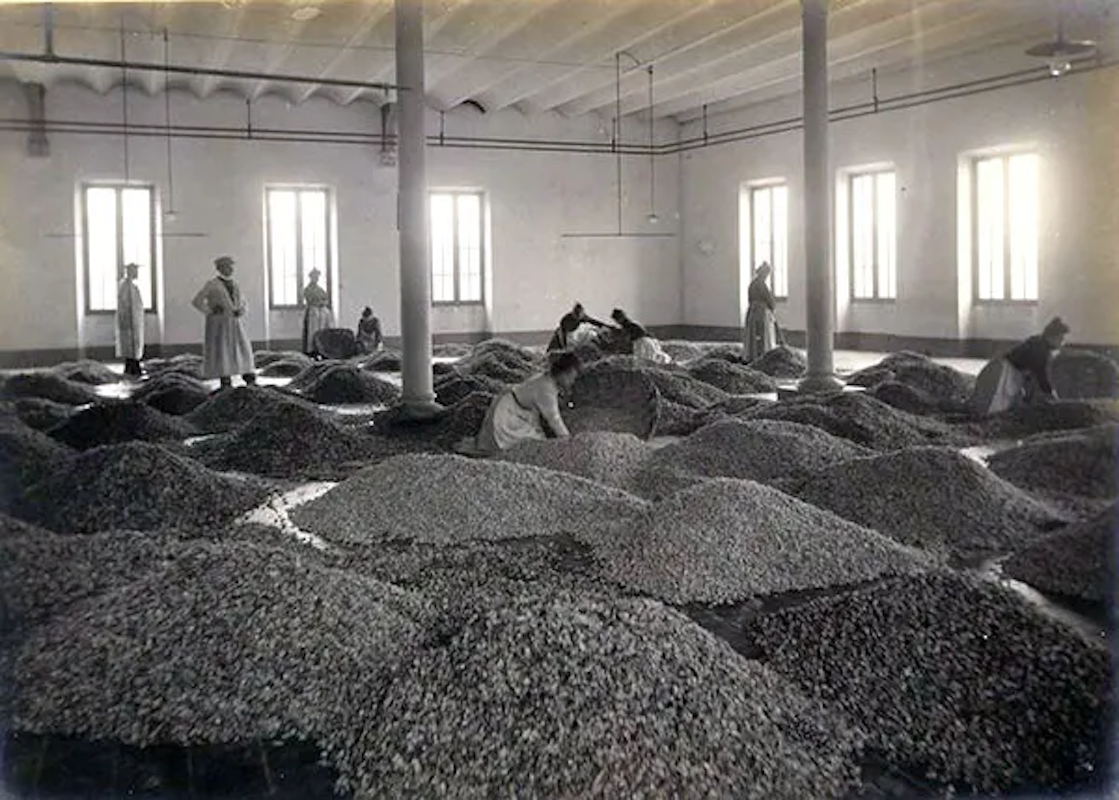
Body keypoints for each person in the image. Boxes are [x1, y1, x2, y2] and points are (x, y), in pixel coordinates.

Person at [475, 351, 582, 453]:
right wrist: (568, 441)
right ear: (562, 373)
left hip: (515, 406)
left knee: (536, 438)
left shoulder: (547, 379)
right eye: (570, 377)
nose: (571, 381)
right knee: (527, 445)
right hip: (508, 413)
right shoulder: (546, 390)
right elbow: (554, 420)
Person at [970, 317, 1070, 415]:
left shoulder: (1039, 342)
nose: (1062, 342)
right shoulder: (1041, 349)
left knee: (1008, 401)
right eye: (1061, 339)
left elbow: (1033, 373)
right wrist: (1051, 393)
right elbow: (1041, 375)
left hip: (1011, 370)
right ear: (1052, 337)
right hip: (1004, 372)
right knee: (996, 403)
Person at [191, 255, 256, 390]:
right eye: (227, 266)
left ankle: (249, 378)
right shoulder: (212, 284)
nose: (230, 269)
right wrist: (211, 310)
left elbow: (244, 302)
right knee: (222, 351)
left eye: (231, 266)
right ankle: (225, 380)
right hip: (219, 324)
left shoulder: (235, 284)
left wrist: (241, 310)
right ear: (220, 268)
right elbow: (197, 301)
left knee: (242, 348)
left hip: (234, 322)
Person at [743, 261, 781, 360]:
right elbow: (768, 299)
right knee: (761, 335)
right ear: (763, 273)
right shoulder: (761, 284)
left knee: (754, 334)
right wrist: (772, 307)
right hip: (761, 312)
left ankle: (752, 355)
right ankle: (762, 356)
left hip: (752, 311)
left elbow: (750, 300)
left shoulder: (752, 284)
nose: (767, 276)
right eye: (766, 274)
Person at [115, 262, 144, 378]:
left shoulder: (132, 286)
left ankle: (133, 365)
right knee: (130, 345)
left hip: (135, 321)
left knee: (134, 345)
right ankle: (132, 366)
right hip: (129, 321)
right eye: (135, 270)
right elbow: (124, 305)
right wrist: (126, 320)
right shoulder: (125, 286)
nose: (137, 273)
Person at [301, 268, 334, 356]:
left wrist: (323, 303)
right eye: (314, 276)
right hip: (313, 311)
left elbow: (326, 298)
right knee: (313, 331)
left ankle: (322, 348)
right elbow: (310, 301)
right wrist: (318, 303)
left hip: (322, 312)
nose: (316, 278)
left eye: (317, 276)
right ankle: (312, 350)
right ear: (311, 277)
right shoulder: (307, 289)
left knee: (323, 328)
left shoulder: (320, 289)